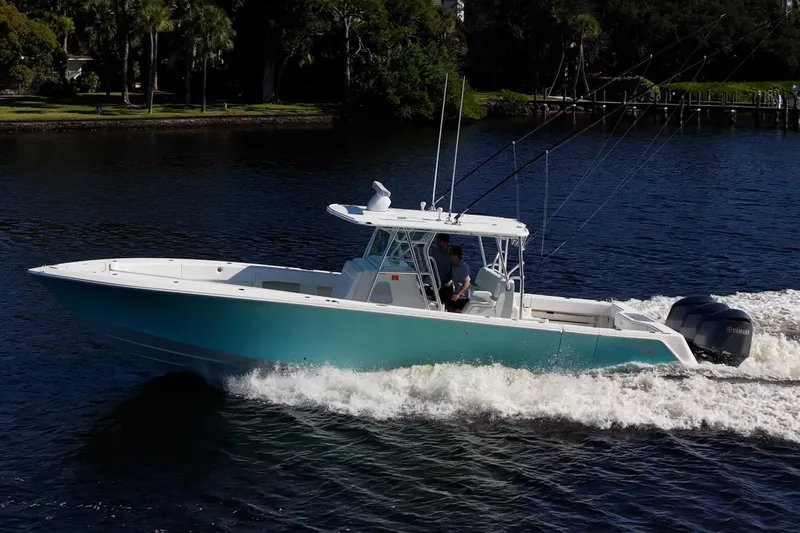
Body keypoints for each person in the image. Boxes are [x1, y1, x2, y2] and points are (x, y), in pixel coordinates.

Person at [446, 245, 470, 313]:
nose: (449, 256)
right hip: (455, 293)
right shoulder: (454, 265)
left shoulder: (463, 267)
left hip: (463, 297)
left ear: (456, 255)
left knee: (455, 311)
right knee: (447, 304)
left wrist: (458, 294)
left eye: (451, 254)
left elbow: (467, 283)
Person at [429, 233, 453, 301]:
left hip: (448, 284)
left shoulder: (452, 253)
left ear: (446, 242)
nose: (439, 244)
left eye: (441, 242)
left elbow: (455, 269)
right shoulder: (434, 250)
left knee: (446, 301)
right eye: (438, 242)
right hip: (436, 283)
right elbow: (430, 264)